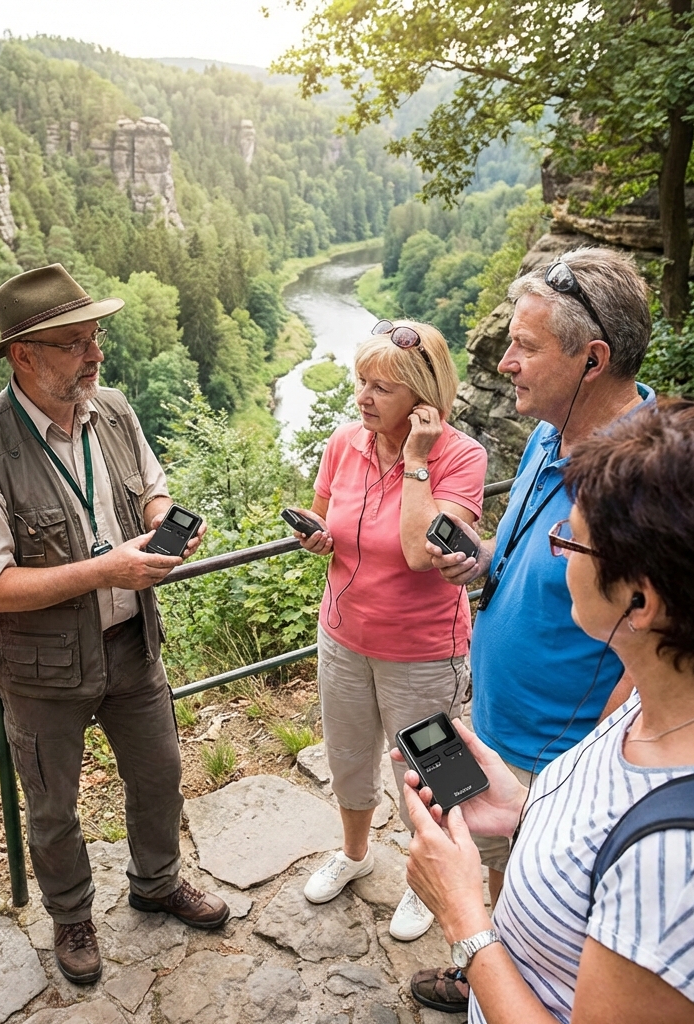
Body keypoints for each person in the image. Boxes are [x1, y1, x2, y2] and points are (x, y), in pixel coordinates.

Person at [0, 263, 229, 986]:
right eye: (74, 342)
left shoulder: (115, 410)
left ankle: (156, 883)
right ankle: (71, 917)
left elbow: (153, 491)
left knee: (160, 773)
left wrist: (165, 528)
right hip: (39, 671)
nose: (95, 353)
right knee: (53, 807)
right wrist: (105, 571)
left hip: (132, 645)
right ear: (23, 356)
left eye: (94, 336)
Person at [397, 399, 694, 1024]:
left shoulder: (685, 867)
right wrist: (523, 812)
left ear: (640, 601)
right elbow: (605, 848)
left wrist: (464, 915)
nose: (557, 556)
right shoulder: (653, 705)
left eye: (569, 539)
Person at [413, 246, 655, 1010]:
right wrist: (483, 561)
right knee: (498, 866)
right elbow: (533, 556)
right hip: (505, 723)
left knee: (554, 899)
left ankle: (503, 976)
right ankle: (485, 963)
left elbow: (647, 652)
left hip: (562, 751)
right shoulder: (554, 430)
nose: (505, 360)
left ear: (593, 358)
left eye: (526, 346)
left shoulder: (641, 481)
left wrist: (590, 779)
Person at [290, 320, 486, 942]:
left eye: (381, 389)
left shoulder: (461, 456)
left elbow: (418, 553)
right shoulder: (344, 443)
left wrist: (417, 462)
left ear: (425, 399)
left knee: (431, 772)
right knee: (348, 757)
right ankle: (354, 855)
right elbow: (327, 518)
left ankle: (427, 881)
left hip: (424, 652)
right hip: (344, 636)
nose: (363, 398)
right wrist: (317, 535)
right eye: (361, 383)